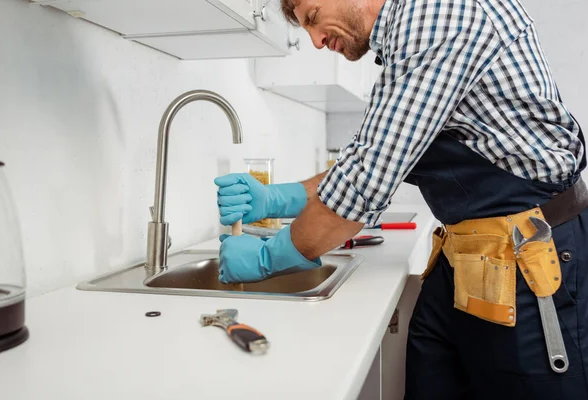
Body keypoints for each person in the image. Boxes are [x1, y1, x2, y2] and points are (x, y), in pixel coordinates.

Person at [214, 0, 588, 398]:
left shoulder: (438, 14)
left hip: (528, 258)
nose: (317, 41)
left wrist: (268, 258)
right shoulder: (405, 47)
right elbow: (366, 160)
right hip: (467, 259)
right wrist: (275, 198)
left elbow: (364, 181)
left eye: (313, 17)